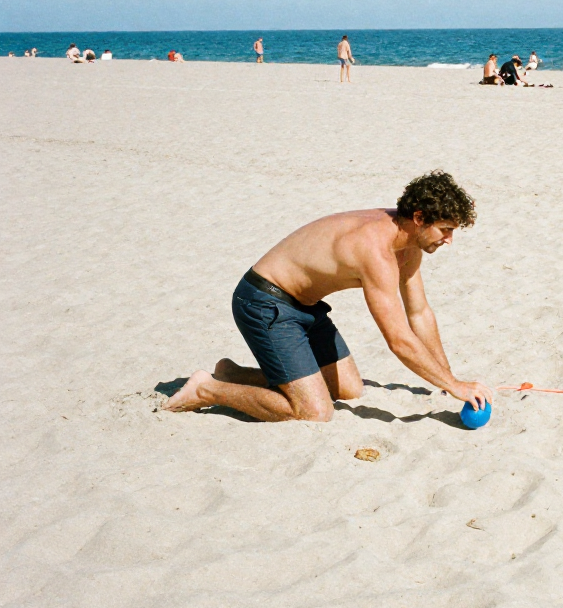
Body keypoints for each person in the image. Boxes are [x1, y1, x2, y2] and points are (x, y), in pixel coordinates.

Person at [163, 171, 494, 422]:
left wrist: (448, 380)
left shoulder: (410, 244)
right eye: (446, 229)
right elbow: (399, 340)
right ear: (420, 218)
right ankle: (207, 388)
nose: (450, 239)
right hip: (265, 302)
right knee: (314, 411)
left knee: (350, 389)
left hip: (305, 307)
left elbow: (419, 313)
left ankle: (233, 374)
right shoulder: (374, 249)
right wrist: (455, 385)